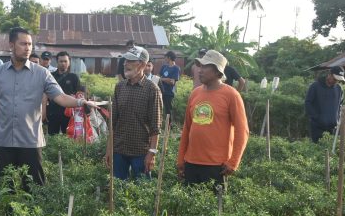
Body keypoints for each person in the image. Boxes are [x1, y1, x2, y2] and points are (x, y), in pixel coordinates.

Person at [0, 27, 98, 188]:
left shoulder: (42, 74)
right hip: (5, 140)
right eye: (23, 43)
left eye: (30, 44)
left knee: (34, 188)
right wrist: (3, 120)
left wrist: (81, 102)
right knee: (6, 186)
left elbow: (60, 97)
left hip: (30, 141)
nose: (27, 48)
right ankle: (8, 214)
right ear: (11, 45)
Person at [177, 50, 249, 187]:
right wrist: (181, 159)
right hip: (191, 163)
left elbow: (242, 131)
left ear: (218, 72)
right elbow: (187, 127)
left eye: (205, 67)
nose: (200, 70)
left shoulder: (231, 95)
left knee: (214, 207)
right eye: (200, 66)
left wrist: (233, 162)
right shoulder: (195, 94)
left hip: (217, 166)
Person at [104, 46, 162, 180]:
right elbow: (113, 121)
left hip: (141, 152)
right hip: (119, 150)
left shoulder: (152, 90)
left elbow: (156, 126)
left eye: (130, 61)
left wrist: (151, 154)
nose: (125, 64)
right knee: (117, 189)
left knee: (142, 193)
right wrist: (109, 149)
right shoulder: (120, 87)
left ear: (142, 64)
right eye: (125, 60)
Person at [305, 66, 345, 143]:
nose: (336, 81)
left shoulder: (339, 89)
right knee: (317, 150)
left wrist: (337, 119)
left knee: (331, 151)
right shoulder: (315, 86)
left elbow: (340, 105)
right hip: (317, 127)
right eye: (335, 78)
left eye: (338, 80)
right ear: (329, 74)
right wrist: (317, 118)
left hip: (333, 128)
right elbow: (308, 103)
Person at [46, 51, 83, 135]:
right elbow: (45, 94)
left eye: (65, 61)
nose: (63, 63)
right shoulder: (50, 76)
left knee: (68, 137)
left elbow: (79, 94)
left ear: (69, 62)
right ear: (57, 62)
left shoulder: (74, 77)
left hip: (68, 113)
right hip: (53, 112)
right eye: (61, 61)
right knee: (52, 137)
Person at [159, 51, 181, 123]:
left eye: (166, 57)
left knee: (168, 110)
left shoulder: (176, 68)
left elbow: (172, 82)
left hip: (169, 93)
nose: (165, 58)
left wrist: (163, 79)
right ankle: (160, 123)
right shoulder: (164, 66)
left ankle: (169, 126)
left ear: (169, 57)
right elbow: (158, 77)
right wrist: (167, 79)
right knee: (159, 109)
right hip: (161, 91)